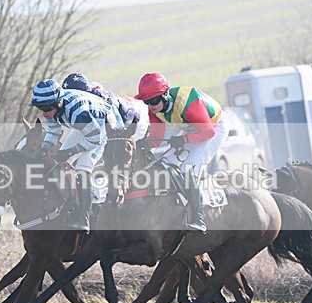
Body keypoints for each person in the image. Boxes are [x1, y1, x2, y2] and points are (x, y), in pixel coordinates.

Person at [134, 72, 228, 232]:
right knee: (165, 163)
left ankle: (197, 218)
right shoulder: (154, 109)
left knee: (188, 169)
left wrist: (183, 140)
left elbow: (208, 133)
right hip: (192, 127)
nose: (151, 106)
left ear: (165, 95)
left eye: (154, 101)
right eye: (146, 102)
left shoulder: (189, 104)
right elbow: (157, 136)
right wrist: (140, 146)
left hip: (214, 128)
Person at [28, 79, 123, 233]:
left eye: (47, 108)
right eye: (40, 108)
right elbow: (53, 132)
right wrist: (45, 147)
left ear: (58, 102)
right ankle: (70, 203)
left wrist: (71, 151)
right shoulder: (52, 106)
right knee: (59, 162)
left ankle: (84, 218)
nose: (45, 113)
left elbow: (94, 139)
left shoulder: (78, 112)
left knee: (83, 167)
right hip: (84, 126)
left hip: (103, 126)